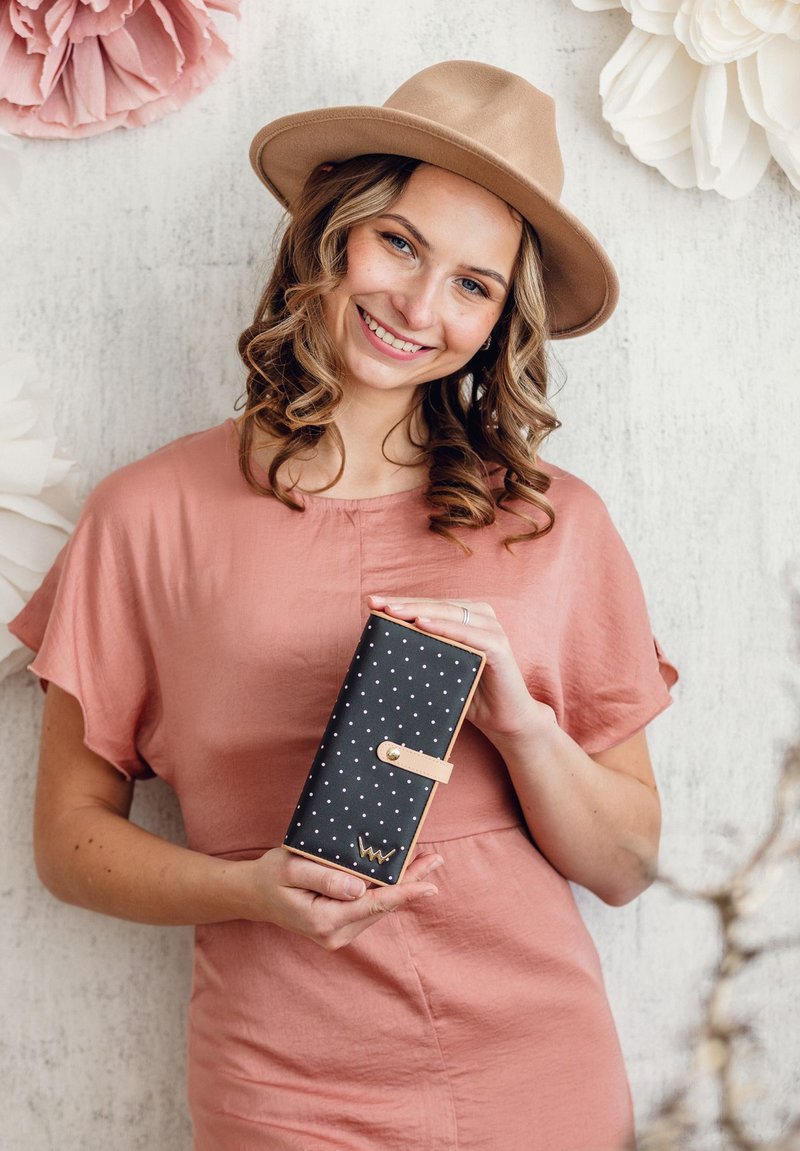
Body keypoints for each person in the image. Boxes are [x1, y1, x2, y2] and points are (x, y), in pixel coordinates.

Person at [11, 60, 678, 1151]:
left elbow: (628, 865)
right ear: (331, 233)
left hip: (539, 1067)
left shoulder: (557, 524)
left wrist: (519, 721)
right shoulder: (148, 514)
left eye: (473, 283)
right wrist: (254, 889)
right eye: (401, 244)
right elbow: (69, 843)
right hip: (286, 1087)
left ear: (501, 319)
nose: (419, 307)